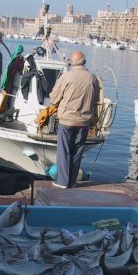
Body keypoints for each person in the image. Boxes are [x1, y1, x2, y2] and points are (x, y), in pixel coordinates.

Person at [49, 50, 99, 189]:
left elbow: (54, 99)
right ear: (84, 62)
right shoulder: (92, 78)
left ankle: (62, 182)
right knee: (77, 151)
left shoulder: (66, 77)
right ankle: (72, 181)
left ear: (71, 62)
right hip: (84, 121)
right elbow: (96, 99)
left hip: (67, 120)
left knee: (64, 151)